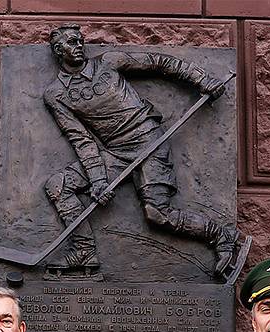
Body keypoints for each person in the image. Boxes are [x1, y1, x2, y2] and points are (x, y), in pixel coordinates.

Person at [41, 24, 242, 279]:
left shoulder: (110, 62)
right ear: (58, 51)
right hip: (114, 151)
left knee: (157, 215)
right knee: (58, 185)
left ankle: (220, 235)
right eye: (71, 42)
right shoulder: (56, 94)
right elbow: (79, 138)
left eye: (80, 41)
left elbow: (159, 63)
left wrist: (201, 79)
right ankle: (84, 250)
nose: (79, 45)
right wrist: (98, 180)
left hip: (149, 142)